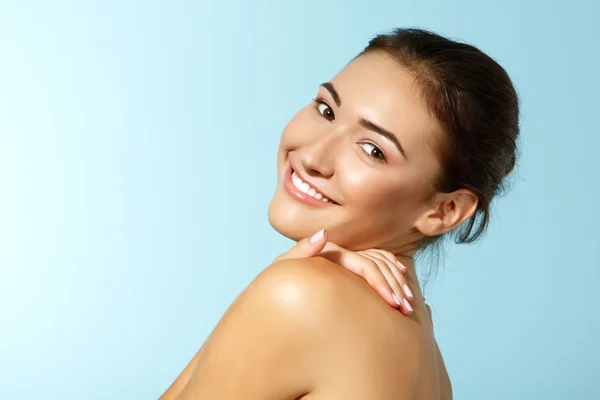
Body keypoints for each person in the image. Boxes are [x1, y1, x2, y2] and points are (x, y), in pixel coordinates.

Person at [160, 27, 519, 399]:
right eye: (326, 110)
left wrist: (279, 279)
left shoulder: (302, 297)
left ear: (445, 210)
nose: (314, 156)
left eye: (372, 150)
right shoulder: (423, 347)